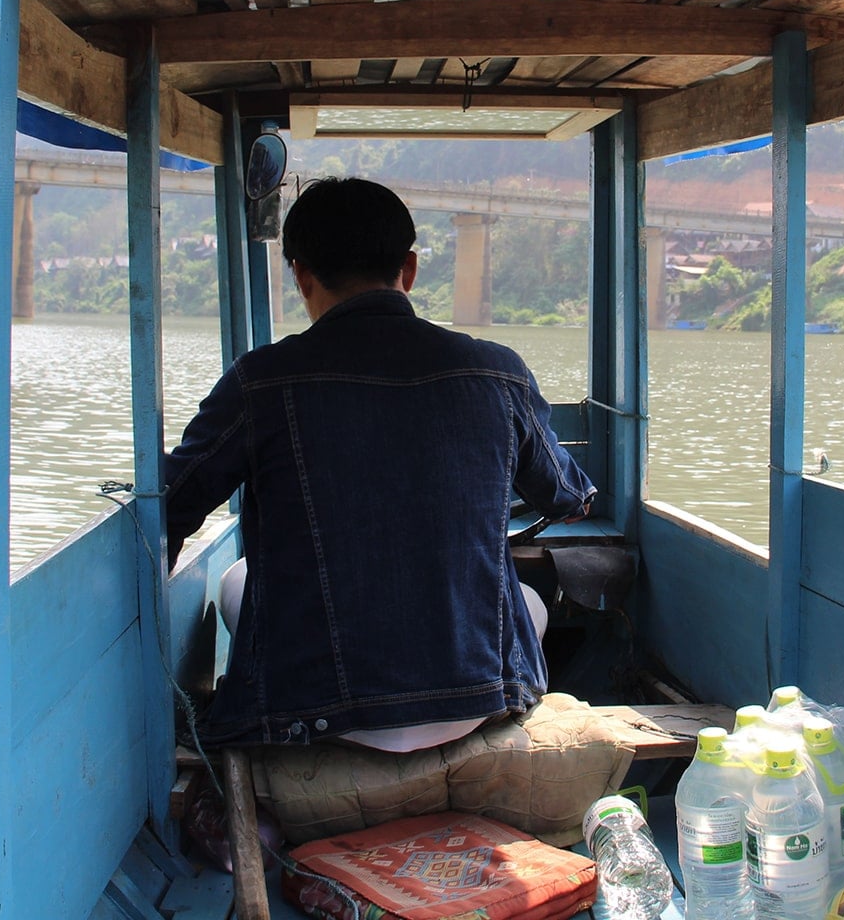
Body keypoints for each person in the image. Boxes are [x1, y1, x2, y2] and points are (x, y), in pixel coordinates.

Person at [163, 177, 596, 750]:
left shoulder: (259, 381)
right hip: (477, 699)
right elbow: (568, 496)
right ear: (410, 270)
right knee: (528, 601)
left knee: (237, 582)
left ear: (301, 275)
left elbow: (174, 504)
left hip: (313, 711)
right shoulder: (499, 372)